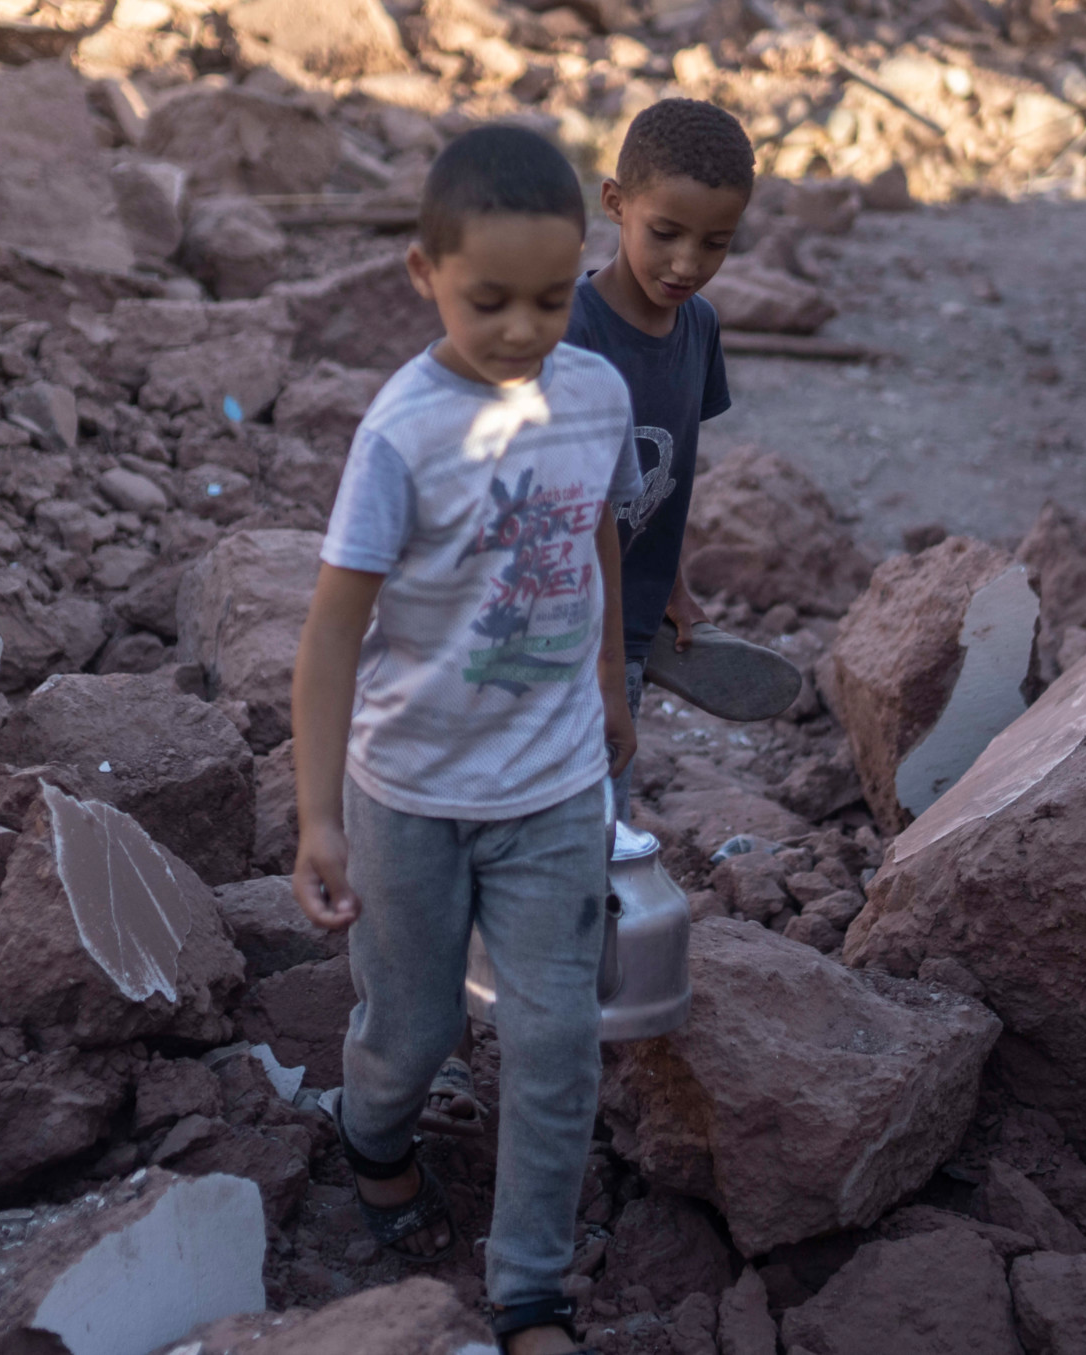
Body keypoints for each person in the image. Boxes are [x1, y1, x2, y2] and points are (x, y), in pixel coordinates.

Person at [287, 123, 638, 1355]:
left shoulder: (595, 389)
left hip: (550, 783)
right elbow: (333, 631)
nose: (525, 329)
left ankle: (530, 1286)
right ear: (422, 274)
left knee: (554, 1032)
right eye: (490, 300)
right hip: (414, 792)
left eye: (552, 298)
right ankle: (370, 1132)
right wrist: (320, 812)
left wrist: (606, 673)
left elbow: (596, 521)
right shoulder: (400, 432)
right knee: (415, 1028)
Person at [565, 97, 774, 723]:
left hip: (629, 624)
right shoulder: (571, 334)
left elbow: (662, 485)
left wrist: (671, 587)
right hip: (548, 628)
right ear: (615, 203)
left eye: (715, 243)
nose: (688, 263)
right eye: (665, 234)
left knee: (606, 796)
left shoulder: (699, 328)